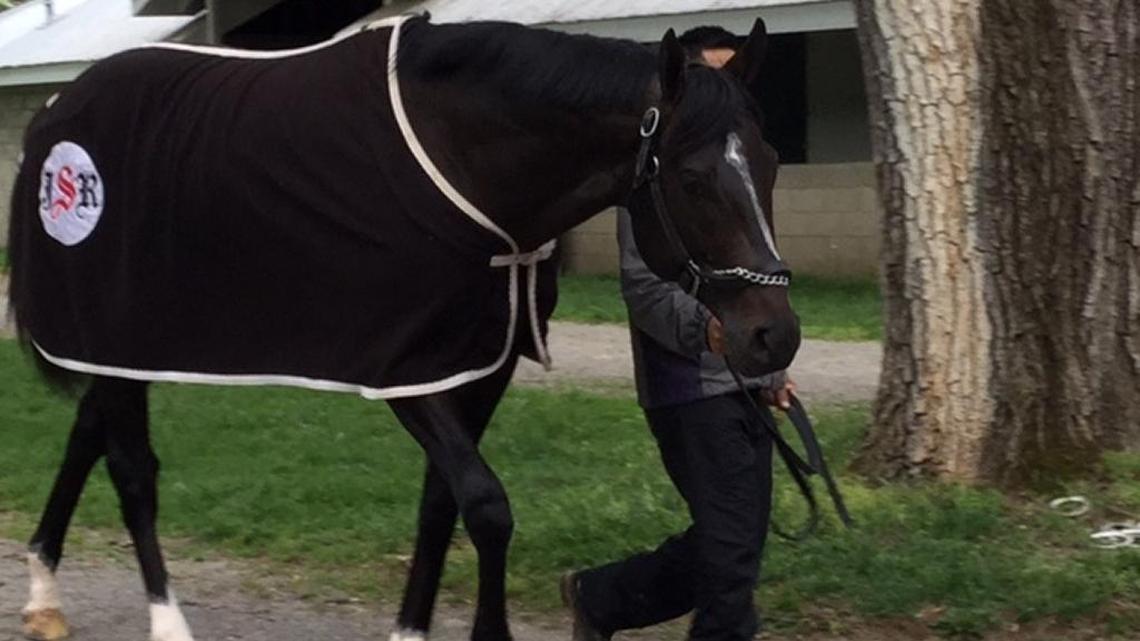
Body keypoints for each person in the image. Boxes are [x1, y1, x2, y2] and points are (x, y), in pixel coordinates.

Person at [560, 26, 796, 641]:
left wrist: (772, 372)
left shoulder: (732, 167)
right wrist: (707, 330)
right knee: (730, 559)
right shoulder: (656, 183)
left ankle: (603, 597)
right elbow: (644, 289)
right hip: (687, 388)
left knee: (733, 546)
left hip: (746, 383)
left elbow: (755, 276)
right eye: (711, 79)